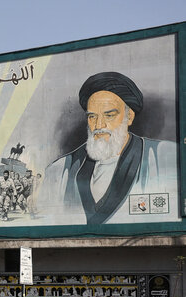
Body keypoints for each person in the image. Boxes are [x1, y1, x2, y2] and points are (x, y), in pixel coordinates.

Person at [40, 71, 177, 225]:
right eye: (92, 117)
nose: (99, 125)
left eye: (109, 115)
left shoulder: (165, 157)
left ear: (129, 117)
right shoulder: (60, 170)